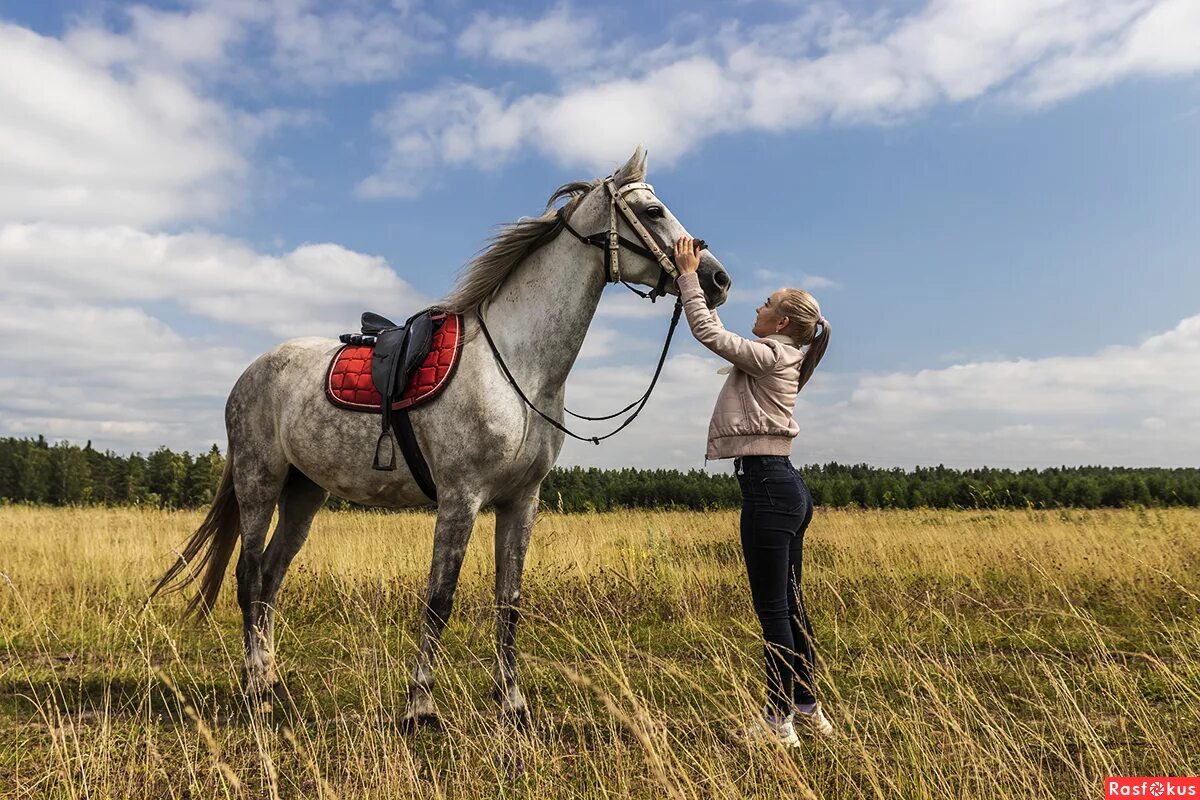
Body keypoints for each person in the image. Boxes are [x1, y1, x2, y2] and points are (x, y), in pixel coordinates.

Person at [673, 235, 834, 746]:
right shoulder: (782, 355)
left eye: (766, 304)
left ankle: (777, 721)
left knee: (773, 610)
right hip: (784, 486)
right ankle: (808, 710)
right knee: (790, 604)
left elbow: (708, 331)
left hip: (768, 488)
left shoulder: (771, 352)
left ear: (782, 322)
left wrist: (687, 274)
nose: (759, 308)